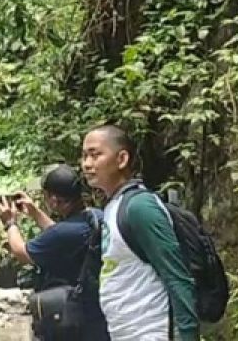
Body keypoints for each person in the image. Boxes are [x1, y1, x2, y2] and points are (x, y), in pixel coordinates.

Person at [81, 125, 198, 341]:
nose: (87, 164)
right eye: (84, 156)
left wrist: (188, 335)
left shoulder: (140, 208)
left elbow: (177, 277)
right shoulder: (113, 206)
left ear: (122, 159)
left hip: (152, 332)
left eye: (95, 155)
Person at [0, 165, 109, 340]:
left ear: (54, 200)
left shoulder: (64, 233)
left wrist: (10, 223)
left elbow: (22, 253)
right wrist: (34, 213)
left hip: (74, 313)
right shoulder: (95, 216)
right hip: (96, 308)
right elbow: (60, 235)